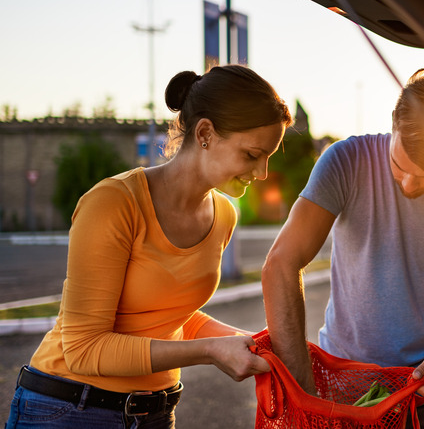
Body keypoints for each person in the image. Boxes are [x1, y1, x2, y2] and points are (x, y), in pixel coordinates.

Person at [5, 64, 293, 428]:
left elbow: (171, 315)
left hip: (155, 415)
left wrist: (252, 342)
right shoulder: (113, 203)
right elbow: (83, 349)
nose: (263, 172)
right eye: (252, 155)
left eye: (268, 156)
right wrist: (210, 351)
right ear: (205, 132)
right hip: (66, 410)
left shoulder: (223, 215)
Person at [261, 68, 424, 428]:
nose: (409, 185)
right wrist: (303, 387)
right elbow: (280, 263)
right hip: (339, 385)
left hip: (422, 391)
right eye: (399, 167)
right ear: (393, 120)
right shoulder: (345, 160)